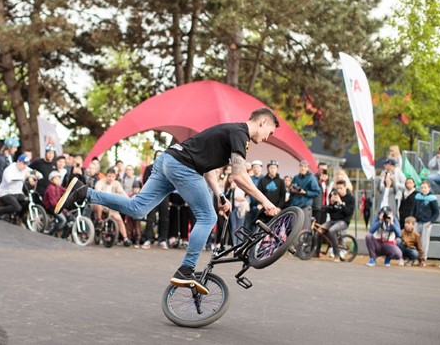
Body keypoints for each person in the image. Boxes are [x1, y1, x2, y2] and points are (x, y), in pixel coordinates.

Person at [55, 107, 280, 294]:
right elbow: (239, 176)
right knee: (207, 217)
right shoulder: (240, 134)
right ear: (262, 123)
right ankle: (186, 269)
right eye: (269, 132)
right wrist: (265, 202)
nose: (267, 138)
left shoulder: (231, 132)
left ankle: (85, 193)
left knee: (137, 208)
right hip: (182, 166)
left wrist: (220, 196)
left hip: (167, 160)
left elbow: (210, 172)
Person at [92, 168, 132, 246]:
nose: (110, 178)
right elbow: (98, 190)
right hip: (101, 204)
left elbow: (122, 192)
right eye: (109, 176)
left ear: (115, 177)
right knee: (98, 204)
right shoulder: (100, 182)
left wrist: (129, 200)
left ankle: (125, 238)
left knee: (119, 220)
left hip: (111, 206)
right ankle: (99, 221)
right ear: (106, 176)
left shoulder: (116, 184)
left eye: (112, 177)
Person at [141, 150, 170, 249]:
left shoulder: (168, 168)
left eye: (161, 155)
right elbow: (145, 181)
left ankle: (162, 240)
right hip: (152, 195)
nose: (159, 157)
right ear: (154, 157)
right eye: (157, 155)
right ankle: (148, 239)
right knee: (151, 217)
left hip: (165, 195)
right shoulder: (149, 168)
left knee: (164, 218)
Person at [321, 180, 355, 262]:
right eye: (338, 188)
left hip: (343, 221)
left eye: (341, 188)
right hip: (333, 220)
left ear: (345, 188)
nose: (339, 190)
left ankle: (336, 254)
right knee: (319, 230)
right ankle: (331, 244)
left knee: (331, 230)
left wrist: (340, 202)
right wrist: (331, 204)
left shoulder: (350, 198)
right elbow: (329, 211)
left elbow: (349, 212)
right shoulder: (334, 196)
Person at [412, 181, 440, 265]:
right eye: (422, 187)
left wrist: (431, 221)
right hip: (417, 221)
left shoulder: (432, 198)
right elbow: (414, 209)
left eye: (425, 187)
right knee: (415, 240)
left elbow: (436, 212)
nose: (423, 189)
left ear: (429, 188)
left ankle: (423, 258)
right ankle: (415, 257)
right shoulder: (417, 196)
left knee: (424, 241)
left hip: (426, 222)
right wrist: (412, 219)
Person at [290, 160, 320, 233]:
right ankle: (294, 244)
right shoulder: (296, 177)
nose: (303, 168)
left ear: (308, 168)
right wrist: (292, 190)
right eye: (301, 166)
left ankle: (305, 244)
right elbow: (291, 188)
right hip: (295, 206)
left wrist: (305, 192)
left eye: (305, 167)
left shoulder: (312, 178)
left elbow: (316, 192)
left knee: (305, 228)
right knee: (294, 228)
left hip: (305, 206)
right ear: (299, 167)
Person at [43, 170, 68, 238]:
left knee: (70, 217)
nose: (58, 180)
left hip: (57, 206)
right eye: (56, 178)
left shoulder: (58, 187)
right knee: (63, 220)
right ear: (51, 180)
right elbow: (53, 203)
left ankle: (64, 235)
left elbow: (65, 191)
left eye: (59, 178)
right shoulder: (51, 188)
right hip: (51, 207)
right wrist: (62, 209)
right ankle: (52, 232)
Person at [244, 159, 264, 229]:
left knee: (258, 227)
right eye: (254, 167)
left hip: (260, 206)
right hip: (250, 206)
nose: (255, 169)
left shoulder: (264, 179)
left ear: (261, 168)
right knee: (247, 226)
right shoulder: (249, 179)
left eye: (257, 167)